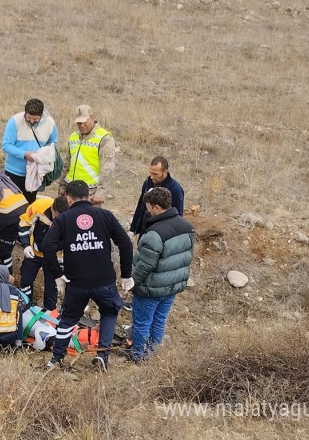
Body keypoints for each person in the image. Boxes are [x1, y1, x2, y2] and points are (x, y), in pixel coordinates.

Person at [40, 180, 133, 372]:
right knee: (109, 312)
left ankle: (56, 359)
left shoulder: (63, 219)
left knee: (68, 319)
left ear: (68, 197)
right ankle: (102, 355)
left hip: (76, 282)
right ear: (89, 196)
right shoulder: (104, 215)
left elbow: (47, 246)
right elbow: (125, 243)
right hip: (104, 279)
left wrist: (58, 275)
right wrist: (126, 274)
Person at [127, 187, 195, 362]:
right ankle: (152, 355)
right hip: (172, 286)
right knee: (159, 320)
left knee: (142, 323)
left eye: (148, 207)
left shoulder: (154, 234)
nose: (147, 210)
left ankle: (137, 356)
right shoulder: (187, 226)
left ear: (156, 207)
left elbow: (146, 265)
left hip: (151, 288)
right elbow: (186, 255)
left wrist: (131, 282)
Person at [1, 98, 58, 203]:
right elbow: (6, 145)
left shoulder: (50, 123)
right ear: (25, 112)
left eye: (35, 119)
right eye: (28, 118)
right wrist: (24, 154)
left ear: (42, 115)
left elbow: (53, 142)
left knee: (29, 204)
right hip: (14, 172)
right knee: (12, 204)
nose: (31, 121)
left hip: (35, 173)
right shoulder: (14, 121)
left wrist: (43, 154)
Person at [18, 196, 70, 311]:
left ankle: (49, 313)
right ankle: (25, 306)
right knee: (26, 280)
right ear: (52, 209)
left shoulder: (70, 217)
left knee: (51, 288)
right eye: (57, 215)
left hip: (54, 256)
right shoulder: (40, 206)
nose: (59, 219)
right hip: (35, 252)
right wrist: (26, 245)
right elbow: (24, 223)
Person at [58, 104, 116, 206]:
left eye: (85, 122)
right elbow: (67, 163)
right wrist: (62, 185)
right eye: (79, 123)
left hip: (90, 193)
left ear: (92, 118)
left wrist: (101, 192)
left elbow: (107, 168)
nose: (82, 125)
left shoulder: (104, 138)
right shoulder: (73, 136)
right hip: (70, 190)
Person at [128, 156, 184, 237]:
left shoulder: (175, 190)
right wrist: (133, 229)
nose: (152, 176)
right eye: (150, 173)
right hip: (145, 228)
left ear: (165, 172)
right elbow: (141, 205)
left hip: (162, 233)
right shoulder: (148, 182)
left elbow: (178, 216)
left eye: (155, 174)